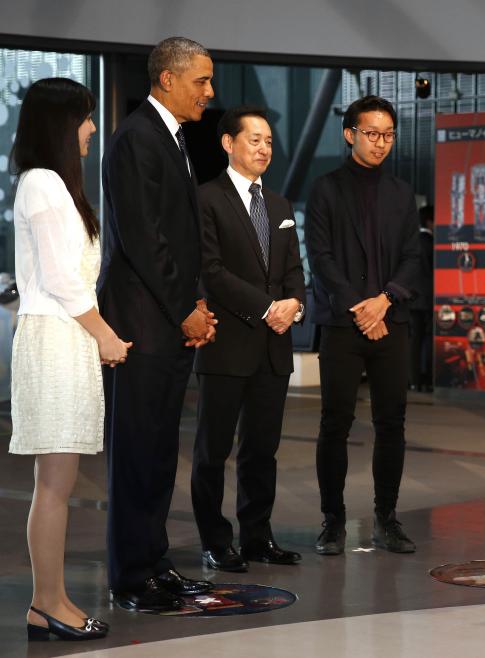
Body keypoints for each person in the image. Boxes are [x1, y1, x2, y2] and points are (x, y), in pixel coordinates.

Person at [98, 37, 217, 612]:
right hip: (141, 324)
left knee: (161, 451)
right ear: (167, 79)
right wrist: (184, 308)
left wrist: (193, 307)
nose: (210, 92)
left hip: (165, 321)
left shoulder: (169, 138)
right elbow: (145, 239)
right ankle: (129, 578)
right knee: (137, 451)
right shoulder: (135, 139)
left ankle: (154, 561)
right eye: (201, 80)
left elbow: (180, 236)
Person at [10, 77, 127, 641]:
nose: (90, 128)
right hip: (59, 338)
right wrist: (104, 334)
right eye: (84, 118)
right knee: (55, 482)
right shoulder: (44, 184)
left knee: (57, 479)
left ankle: (46, 602)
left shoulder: (51, 184)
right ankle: (48, 602)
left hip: (64, 337)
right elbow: (59, 277)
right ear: (60, 123)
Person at [191, 106, 306, 572]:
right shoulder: (205, 199)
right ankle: (215, 541)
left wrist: (295, 304)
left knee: (262, 450)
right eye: (254, 140)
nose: (264, 148)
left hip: (274, 346)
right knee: (213, 451)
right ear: (228, 144)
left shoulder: (279, 205)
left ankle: (257, 536)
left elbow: (294, 271)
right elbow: (211, 272)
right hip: (227, 343)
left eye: (269, 142)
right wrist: (266, 307)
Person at [305, 95, 420, 556]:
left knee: (392, 423)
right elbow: (322, 259)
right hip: (342, 325)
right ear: (350, 133)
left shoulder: (400, 193)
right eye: (372, 134)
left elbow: (414, 257)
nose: (381, 143)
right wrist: (360, 309)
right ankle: (333, 520)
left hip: (391, 320)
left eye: (388, 135)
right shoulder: (325, 189)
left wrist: (385, 300)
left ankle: (386, 517)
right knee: (335, 422)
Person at [409, 204, 434, 392]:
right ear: (430, 221)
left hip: (411, 299)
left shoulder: (410, 241)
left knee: (413, 342)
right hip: (428, 299)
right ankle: (427, 379)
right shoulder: (431, 243)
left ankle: (413, 379)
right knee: (428, 340)